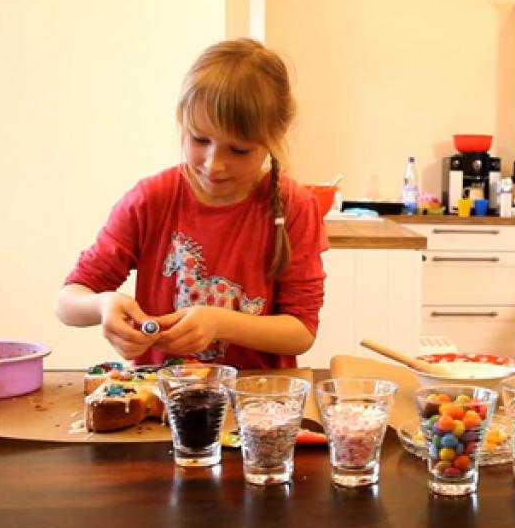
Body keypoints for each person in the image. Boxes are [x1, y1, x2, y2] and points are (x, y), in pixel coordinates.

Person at [55, 38, 327, 370]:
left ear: (275, 138)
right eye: (200, 140)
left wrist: (220, 323)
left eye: (239, 150)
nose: (214, 164)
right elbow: (67, 302)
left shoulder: (293, 206)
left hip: (257, 406)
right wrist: (102, 306)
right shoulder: (151, 199)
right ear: (182, 123)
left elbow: (301, 331)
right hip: (164, 404)